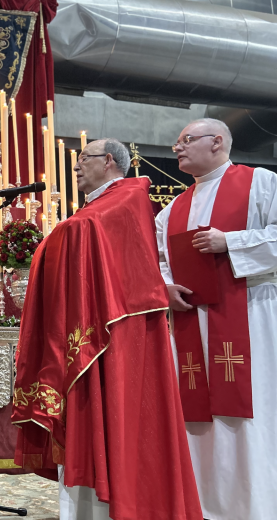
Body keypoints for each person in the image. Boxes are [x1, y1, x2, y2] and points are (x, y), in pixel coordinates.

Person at [12, 138, 202, 520]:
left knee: (110, 413)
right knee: (86, 412)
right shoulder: (98, 206)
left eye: (84, 158)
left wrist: (53, 240)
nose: (77, 166)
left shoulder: (127, 199)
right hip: (98, 326)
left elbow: (83, 233)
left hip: (116, 335)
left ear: (110, 162)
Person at [155, 118, 277, 520]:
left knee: (252, 411)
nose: (177, 148)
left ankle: (257, 506)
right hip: (194, 320)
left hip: (252, 314)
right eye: (176, 143)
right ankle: (202, 505)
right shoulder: (173, 208)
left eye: (186, 140)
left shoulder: (260, 182)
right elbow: (157, 260)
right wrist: (166, 287)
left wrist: (232, 241)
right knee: (199, 414)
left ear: (218, 141)